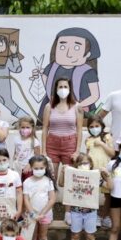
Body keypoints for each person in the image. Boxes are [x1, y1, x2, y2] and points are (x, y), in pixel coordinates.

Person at [41, 77, 83, 224]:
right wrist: (44, 151)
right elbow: (45, 128)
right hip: (52, 143)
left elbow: (79, 129)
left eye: (65, 86)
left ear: (70, 88)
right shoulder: (49, 106)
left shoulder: (76, 106)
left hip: (69, 144)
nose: (63, 89)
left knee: (69, 179)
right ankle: (48, 211)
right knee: (50, 179)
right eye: (60, 86)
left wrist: (77, 150)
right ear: (56, 89)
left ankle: (68, 213)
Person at [23, 155, 57, 240]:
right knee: (31, 237)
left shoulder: (48, 181)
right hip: (31, 215)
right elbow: (26, 199)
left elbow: (52, 199)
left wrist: (42, 214)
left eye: (41, 168)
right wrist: (33, 214)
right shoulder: (27, 182)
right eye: (36, 168)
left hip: (45, 214)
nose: (39, 170)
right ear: (31, 167)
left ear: (46, 167)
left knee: (43, 236)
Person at [83, 114, 115, 228]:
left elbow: (112, 153)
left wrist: (102, 143)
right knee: (92, 194)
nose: (94, 128)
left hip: (105, 171)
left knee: (108, 195)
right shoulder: (88, 140)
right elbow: (87, 155)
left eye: (97, 125)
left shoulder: (107, 137)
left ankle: (104, 216)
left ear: (102, 125)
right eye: (91, 126)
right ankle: (94, 216)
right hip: (93, 172)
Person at [68, 154, 99, 240]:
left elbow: (110, 186)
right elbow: (61, 184)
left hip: (91, 212)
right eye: (81, 163)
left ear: (91, 165)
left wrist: (106, 176)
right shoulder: (73, 177)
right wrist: (63, 172)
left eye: (86, 163)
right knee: (75, 234)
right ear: (76, 165)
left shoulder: (96, 177)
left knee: (90, 235)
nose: (84, 165)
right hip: (76, 211)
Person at [0, 148, 23, 233]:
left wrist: (19, 210)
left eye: (4, 160)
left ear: (8, 159)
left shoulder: (15, 175)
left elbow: (19, 193)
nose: (2, 163)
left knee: (10, 233)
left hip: (11, 210)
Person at [12, 116, 40, 180]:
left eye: (27, 127)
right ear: (19, 127)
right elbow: (16, 152)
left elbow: (37, 157)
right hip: (18, 168)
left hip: (29, 169)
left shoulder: (35, 141)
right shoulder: (16, 139)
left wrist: (30, 165)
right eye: (23, 127)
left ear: (32, 128)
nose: (25, 129)